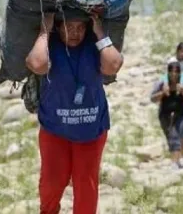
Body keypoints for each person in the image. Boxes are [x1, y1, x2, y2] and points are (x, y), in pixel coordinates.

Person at [25, 11, 123, 214]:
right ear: (58, 27)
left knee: (85, 184)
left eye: (80, 27)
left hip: (91, 129)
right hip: (54, 128)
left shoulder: (94, 44)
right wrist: (45, 32)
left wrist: (98, 31)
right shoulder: (50, 45)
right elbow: (36, 64)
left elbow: (113, 66)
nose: (75, 33)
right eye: (69, 27)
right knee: (52, 182)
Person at [150, 61, 183, 169]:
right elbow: (152, 98)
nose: (174, 74)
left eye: (176, 72)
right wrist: (162, 93)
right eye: (171, 72)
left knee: (179, 137)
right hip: (165, 115)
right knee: (172, 137)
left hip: (182, 114)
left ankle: (179, 161)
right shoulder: (162, 83)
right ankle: (177, 160)